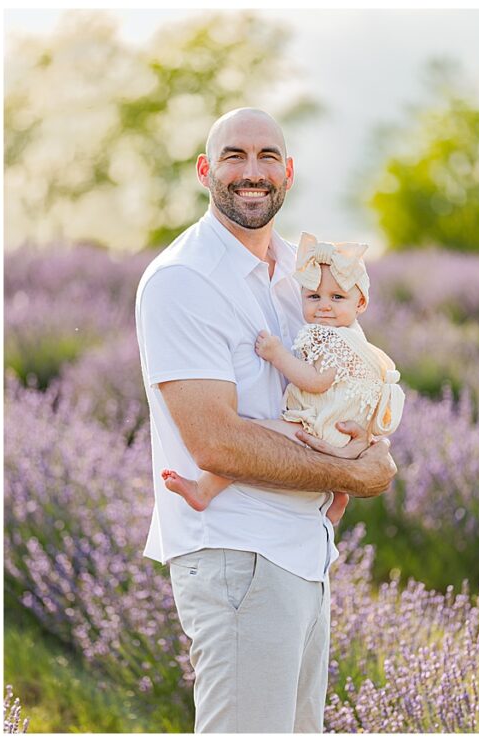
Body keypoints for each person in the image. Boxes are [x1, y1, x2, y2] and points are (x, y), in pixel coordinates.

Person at [135, 108, 396, 733]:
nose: (252, 172)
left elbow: (333, 382)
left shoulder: (301, 275)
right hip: (236, 558)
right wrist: (352, 473)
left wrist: (367, 437)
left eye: (267, 157)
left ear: (289, 172)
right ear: (205, 171)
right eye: (234, 156)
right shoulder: (183, 280)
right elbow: (216, 443)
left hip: (302, 553)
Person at [161, 232, 405, 524]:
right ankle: (337, 501)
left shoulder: (331, 338)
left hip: (319, 425)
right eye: (314, 296)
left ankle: (203, 490)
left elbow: (316, 381)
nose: (324, 306)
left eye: (337, 297)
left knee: (259, 435)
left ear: (361, 302)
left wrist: (277, 355)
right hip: (343, 430)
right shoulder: (355, 336)